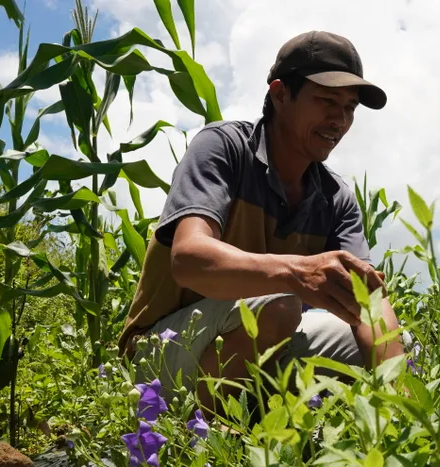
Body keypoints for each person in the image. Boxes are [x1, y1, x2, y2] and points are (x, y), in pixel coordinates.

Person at [119, 30, 405, 414]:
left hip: (263, 342)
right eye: (326, 101)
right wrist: (295, 273)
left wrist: (400, 398)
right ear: (280, 93)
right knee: (280, 304)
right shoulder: (224, 148)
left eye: (350, 108)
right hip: (162, 352)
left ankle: (268, 419)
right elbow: (188, 259)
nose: (339, 120)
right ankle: (200, 436)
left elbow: (368, 300)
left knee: (384, 348)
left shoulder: (335, 198)